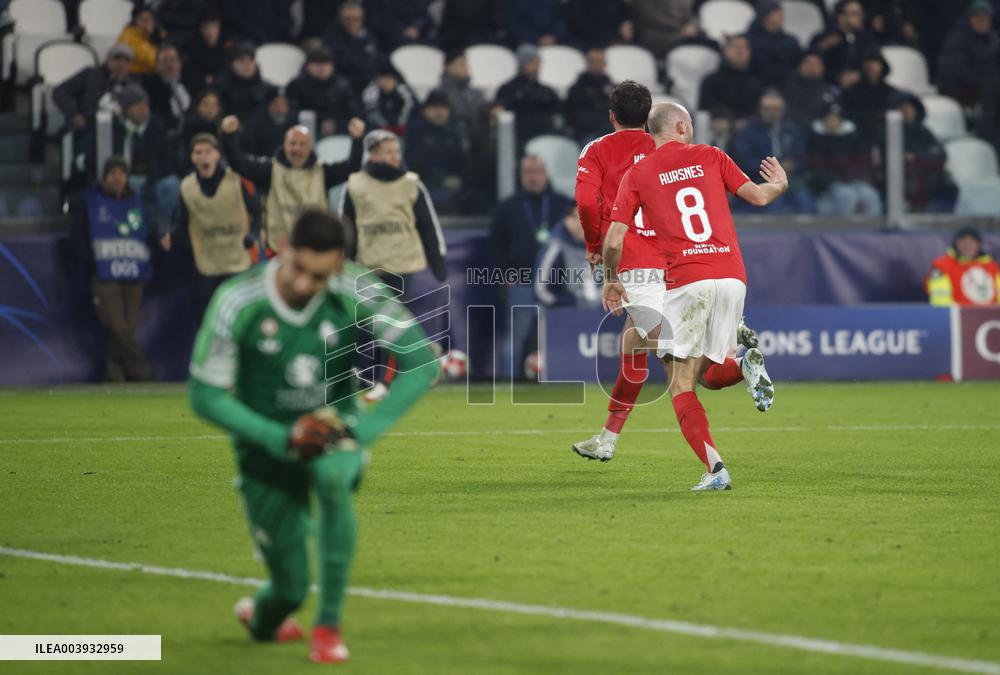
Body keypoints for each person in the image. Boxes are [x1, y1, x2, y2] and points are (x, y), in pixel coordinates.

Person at [188, 209, 437, 664]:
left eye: (320, 275)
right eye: (299, 269)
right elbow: (205, 396)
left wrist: (361, 431)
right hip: (264, 448)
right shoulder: (237, 300)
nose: (305, 284)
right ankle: (264, 616)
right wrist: (280, 437)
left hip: (334, 427)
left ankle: (328, 627)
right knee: (289, 587)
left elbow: (421, 359)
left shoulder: (355, 286)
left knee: (334, 480)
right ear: (283, 248)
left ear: (339, 265)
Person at [600, 102, 784, 490]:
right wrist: (780, 184)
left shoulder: (639, 172)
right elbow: (759, 197)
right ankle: (744, 363)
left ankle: (716, 470)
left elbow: (614, 240)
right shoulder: (711, 155)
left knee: (680, 383)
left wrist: (612, 279)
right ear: (682, 126)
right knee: (706, 375)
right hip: (733, 277)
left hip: (687, 281)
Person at [571, 83, 760, 462]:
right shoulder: (665, 147)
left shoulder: (597, 150)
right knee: (633, 343)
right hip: (680, 259)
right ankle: (608, 437)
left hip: (638, 265)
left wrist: (594, 245)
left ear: (611, 115)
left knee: (677, 365)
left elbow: (586, 204)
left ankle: (737, 365)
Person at [339, 129, 449, 401]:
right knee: (365, 324)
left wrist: (438, 263)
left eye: (397, 152)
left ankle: (384, 381)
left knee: (390, 323)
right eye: (389, 152)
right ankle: (366, 375)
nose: (395, 157)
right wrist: (344, 263)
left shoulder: (411, 184)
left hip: (401, 263)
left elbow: (427, 225)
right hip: (368, 263)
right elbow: (348, 228)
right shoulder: (355, 185)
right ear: (373, 154)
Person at [219, 113, 365, 250]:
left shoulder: (322, 172)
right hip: (278, 252)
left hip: (315, 252)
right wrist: (229, 136)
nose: (297, 148)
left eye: (302, 144)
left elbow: (351, 167)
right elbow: (240, 164)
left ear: (309, 146)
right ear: (285, 145)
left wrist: (357, 140)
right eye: (292, 143)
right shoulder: (270, 170)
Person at [70, 157, 155, 382]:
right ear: (104, 176)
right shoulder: (88, 201)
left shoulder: (137, 202)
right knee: (117, 326)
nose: (117, 178)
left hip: (134, 273)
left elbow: (149, 232)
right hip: (105, 274)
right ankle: (143, 371)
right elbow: (77, 238)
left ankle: (114, 375)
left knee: (127, 328)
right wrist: (91, 263)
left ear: (127, 177)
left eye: (121, 173)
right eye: (112, 173)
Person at [490, 155, 572, 376]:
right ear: (521, 176)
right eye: (528, 172)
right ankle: (509, 385)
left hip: (557, 285)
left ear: (547, 173)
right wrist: (503, 274)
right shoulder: (508, 207)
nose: (533, 177)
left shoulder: (563, 204)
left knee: (563, 336)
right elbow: (496, 245)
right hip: (522, 281)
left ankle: (568, 378)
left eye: (537, 171)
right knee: (516, 337)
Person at [169, 133, 261, 300]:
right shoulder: (187, 187)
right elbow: (181, 222)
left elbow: (257, 212)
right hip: (207, 261)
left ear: (218, 154)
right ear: (192, 157)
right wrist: (169, 235)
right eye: (198, 152)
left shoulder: (237, 180)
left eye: (208, 151)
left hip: (237, 259)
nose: (204, 156)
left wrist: (253, 235)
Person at [732, 90, 814, 214]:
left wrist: (793, 165)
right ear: (760, 110)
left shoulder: (791, 130)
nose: (772, 113)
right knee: (774, 204)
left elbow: (801, 157)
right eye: (768, 109)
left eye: (776, 110)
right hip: (759, 179)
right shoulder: (749, 132)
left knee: (804, 201)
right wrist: (770, 169)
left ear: (783, 111)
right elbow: (744, 160)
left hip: (790, 179)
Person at [807, 104, 882, 216]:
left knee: (870, 195)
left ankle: (873, 232)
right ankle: (843, 232)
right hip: (828, 186)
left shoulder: (852, 138)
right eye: (829, 118)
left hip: (854, 181)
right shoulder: (815, 139)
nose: (833, 121)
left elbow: (861, 162)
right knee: (846, 196)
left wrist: (854, 175)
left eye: (836, 118)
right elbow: (815, 168)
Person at [52, 43, 135, 133]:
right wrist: (74, 114)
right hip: (88, 127)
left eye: (126, 61)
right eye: (117, 58)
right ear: (107, 59)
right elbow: (59, 92)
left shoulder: (134, 83)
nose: (121, 64)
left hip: (120, 129)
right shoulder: (90, 74)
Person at [895, 94, 958, 213]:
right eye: (902, 108)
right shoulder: (892, 133)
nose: (906, 111)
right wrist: (923, 157)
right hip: (905, 180)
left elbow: (940, 155)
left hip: (929, 179)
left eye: (910, 107)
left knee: (949, 187)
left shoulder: (924, 132)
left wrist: (917, 157)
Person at [403, 90, 466, 207]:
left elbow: (462, 160)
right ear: (425, 110)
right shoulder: (416, 132)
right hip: (424, 184)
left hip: (454, 186)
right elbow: (414, 163)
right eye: (435, 108)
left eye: (443, 108)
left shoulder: (455, 132)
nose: (439, 112)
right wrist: (441, 179)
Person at [534, 203, 600, 308]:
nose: (581, 223)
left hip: (596, 315)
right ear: (566, 220)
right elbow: (541, 290)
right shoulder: (556, 247)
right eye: (576, 218)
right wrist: (568, 303)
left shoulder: (602, 246)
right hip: (562, 316)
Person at [286, 46, 360, 139]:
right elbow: (292, 113)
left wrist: (335, 123)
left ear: (332, 66)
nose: (321, 68)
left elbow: (352, 112)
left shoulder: (342, 86)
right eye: (317, 64)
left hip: (338, 134)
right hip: (306, 134)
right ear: (308, 66)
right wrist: (320, 122)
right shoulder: (297, 85)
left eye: (325, 63)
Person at [494, 44, 562, 143]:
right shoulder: (508, 89)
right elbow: (500, 110)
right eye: (533, 62)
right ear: (524, 64)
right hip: (519, 140)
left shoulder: (547, 91)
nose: (537, 67)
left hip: (547, 140)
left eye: (538, 63)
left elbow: (559, 111)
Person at [937, 0, 1000, 107]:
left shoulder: (994, 39)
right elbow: (956, 72)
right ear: (969, 19)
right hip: (961, 90)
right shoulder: (957, 40)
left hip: (987, 88)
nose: (981, 21)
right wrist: (988, 81)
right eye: (977, 17)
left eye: (985, 17)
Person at [809, 0, 877, 88]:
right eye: (855, 13)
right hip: (827, 86)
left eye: (861, 13)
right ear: (841, 17)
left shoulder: (866, 40)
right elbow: (811, 65)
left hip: (861, 86)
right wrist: (838, 78)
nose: (860, 17)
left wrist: (860, 75)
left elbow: (879, 63)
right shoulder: (824, 38)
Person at [698, 35, 766, 121]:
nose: (740, 51)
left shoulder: (757, 84)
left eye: (745, 47)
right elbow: (704, 113)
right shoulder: (711, 82)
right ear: (726, 50)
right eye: (736, 46)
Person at [926, 227, 1000, 306]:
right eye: (963, 242)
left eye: (972, 242)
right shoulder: (942, 266)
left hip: (993, 315)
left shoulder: (992, 266)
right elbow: (940, 300)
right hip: (958, 315)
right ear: (956, 244)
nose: (967, 246)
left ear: (979, 245)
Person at [323, 1, 384, 94]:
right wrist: (356, 40)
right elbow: (339, 61)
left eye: (357, 19)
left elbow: (377, 59)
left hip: (369, 82)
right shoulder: (332, 36)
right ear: (340, 19)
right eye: (348, 19)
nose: (353, 22)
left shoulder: (369, 36)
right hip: (344, 83)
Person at [747, 0, 803, 88]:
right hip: (756, 86)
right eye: (776, 12)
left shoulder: (791, 41)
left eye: (781, 12)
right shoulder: (749, 40)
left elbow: (798, 64)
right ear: (765, 16)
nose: (782, 15)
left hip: (787, 87)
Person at [565, 48, 615, 144]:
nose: (597, 65)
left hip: (608, 131)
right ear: (587, 63)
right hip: (586, 133)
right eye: (593, 62)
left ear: (605, 63)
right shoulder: (578, 88)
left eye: (600, 62)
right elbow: (576, 116)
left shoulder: (611, 87)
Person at [141, 43, 190, 137]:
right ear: (156, 66)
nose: (169, 64)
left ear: (180, 63)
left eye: (172, 60)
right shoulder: (149, 86)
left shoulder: (191, 83)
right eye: (164, 61)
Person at [216, 44, 271, 123]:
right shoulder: (222, 89)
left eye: (251, 60)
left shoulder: (267, 89)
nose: (247, 65)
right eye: (242, 60)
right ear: (233, 64)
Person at [180, 9, 229, 96]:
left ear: (219, 27)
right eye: (206, 27)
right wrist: (205, 79)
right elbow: (189, 74)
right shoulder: (191, 48)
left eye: (213, 26)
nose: (210, 31)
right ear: (201, 29)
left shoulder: (226, 45)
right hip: (199, 90)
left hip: (223, 89)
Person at [361, 61, 417, 135]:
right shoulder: (370, 93)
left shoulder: (405, 93)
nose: (386, 83)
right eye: (382, 79)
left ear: (395, 80)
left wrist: (401, 125)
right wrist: (385, 127)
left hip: (403, 131)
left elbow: (410, 110)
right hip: (378, 131)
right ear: (377, 80)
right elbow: (370, 114)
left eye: (389, 79)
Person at [782, 51, 837, 128]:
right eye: (807, 63)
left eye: (815, 64)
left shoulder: (830, 92)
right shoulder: (785, 88)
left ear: (822, 68)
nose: (811, 67)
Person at [115, 6, 163, 75]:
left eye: (150, 20)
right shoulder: (128, 35)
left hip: (148, 75)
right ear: (135, 21)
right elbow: (150, 60)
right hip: (132, 76)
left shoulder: (153, 36)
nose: (146, 24)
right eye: (143, 20)